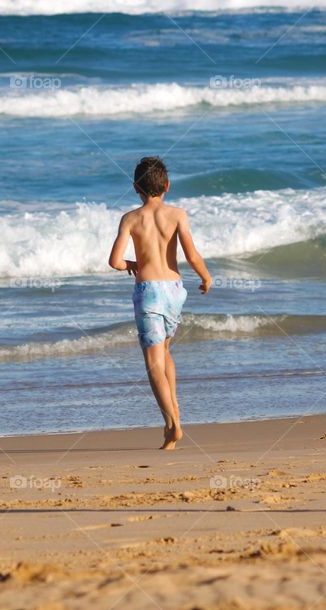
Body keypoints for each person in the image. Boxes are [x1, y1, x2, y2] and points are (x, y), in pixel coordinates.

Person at [108, 157, 212, 450]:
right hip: (175, 291)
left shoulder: (130, 218)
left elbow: (115, 261)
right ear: (167, 185)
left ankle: (173, 425)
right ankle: (174, 413)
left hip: (148, 292)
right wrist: (206, 277)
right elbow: (191, 255)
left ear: (135, 188)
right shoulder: (178, 214)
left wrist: (133, 263)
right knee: (164, 352)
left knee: (153, 361)